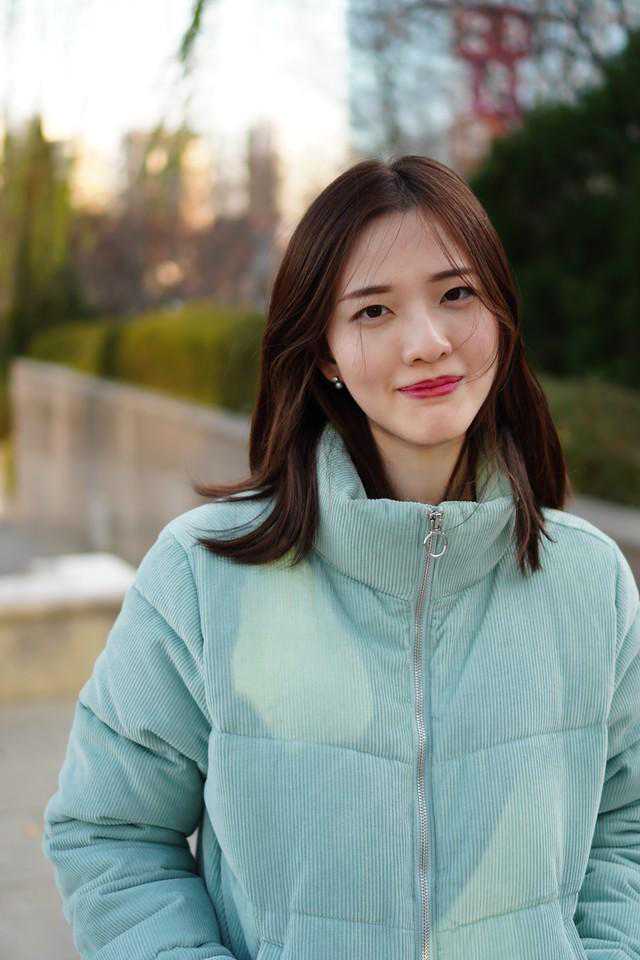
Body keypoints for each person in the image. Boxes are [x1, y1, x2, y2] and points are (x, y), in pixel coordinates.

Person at [42, 155, 640, 960]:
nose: (426, 343)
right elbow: (110, 833)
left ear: (500, 312)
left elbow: (626, 827)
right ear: (324, 352)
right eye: (373, 311)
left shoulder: (589, 581)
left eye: (456, 294)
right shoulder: (202, 576)